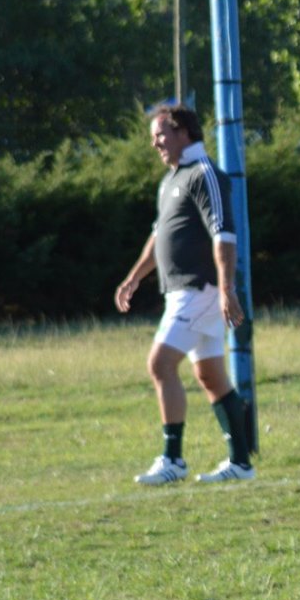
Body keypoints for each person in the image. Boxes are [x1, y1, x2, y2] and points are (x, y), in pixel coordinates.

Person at [114, 104, 254, 484]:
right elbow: (160, 236)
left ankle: (173, 460)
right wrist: (134, 278)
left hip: (200, 290)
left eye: (160, 134)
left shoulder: (204, 172)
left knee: (160, 364)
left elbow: (224, 234)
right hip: (182, 293)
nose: (156, 143)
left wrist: (227, 289)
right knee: (209, 374)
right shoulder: (171, 179)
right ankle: (241, 463)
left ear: (182, 132)